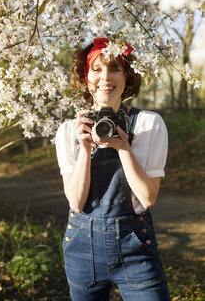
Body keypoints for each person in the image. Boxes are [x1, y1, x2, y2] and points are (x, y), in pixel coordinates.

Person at [55, 38, 171, 301]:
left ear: (126, 76)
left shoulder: (147, 124)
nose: (105, 77)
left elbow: (148, 197)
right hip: (81, 248)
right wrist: (83, 148)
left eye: (115, 68)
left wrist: (123, 148)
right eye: (96, 69)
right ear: (86, 78)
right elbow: (76, 201)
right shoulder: (67, 131)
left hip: (135, 246)